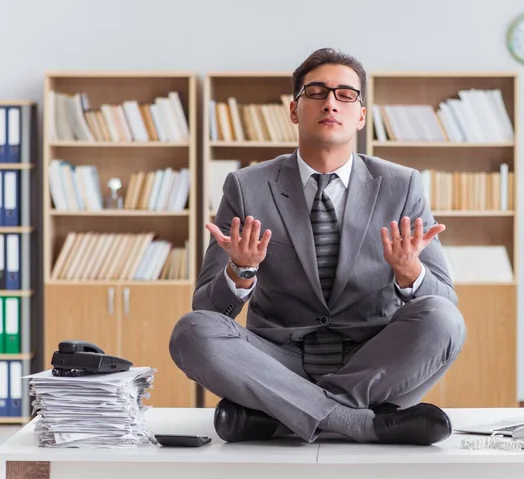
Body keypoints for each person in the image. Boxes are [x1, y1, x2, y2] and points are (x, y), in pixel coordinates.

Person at [169, 47, 466, 446]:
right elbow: (209, 310)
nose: (331, 102)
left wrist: (410, 272)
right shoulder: (246, 186)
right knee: (192, 332)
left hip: (374, 363)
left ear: (361, 115)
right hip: (278, 363)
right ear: (294, 110)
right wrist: (240, 272)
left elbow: (444, 301)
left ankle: (279, 417)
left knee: (443, 318)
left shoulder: (402, 185)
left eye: (346, 94)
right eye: (316, 92)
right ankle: (359, 423)